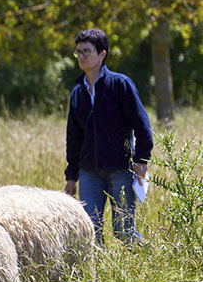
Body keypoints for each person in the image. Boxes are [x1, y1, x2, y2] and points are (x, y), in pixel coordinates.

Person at [64, 28, 153, 246]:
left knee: (124, 232)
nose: (81, 57)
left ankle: (153, 258)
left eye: (86, 51)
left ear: (102, 54)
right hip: (88, 173)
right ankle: (98, 278)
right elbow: (73, 137)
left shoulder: (121, 85)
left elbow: (142, 125)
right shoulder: (77, 92)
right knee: (90, 234)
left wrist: (141, 160)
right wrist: (71, 176)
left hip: (120, 169)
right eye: (78, 52)